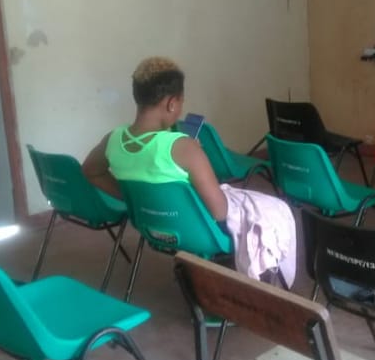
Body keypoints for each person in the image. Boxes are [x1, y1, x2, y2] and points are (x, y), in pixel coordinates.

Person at [82, 56, 296, 284]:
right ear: (172, 103)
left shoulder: (112, 140)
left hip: (151, 226)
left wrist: (134, 198)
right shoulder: (183, 147)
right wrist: (196, 157)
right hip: (201, 235)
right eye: (181, 103)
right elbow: (219, 212)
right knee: (278, 209)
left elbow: (90, 171)